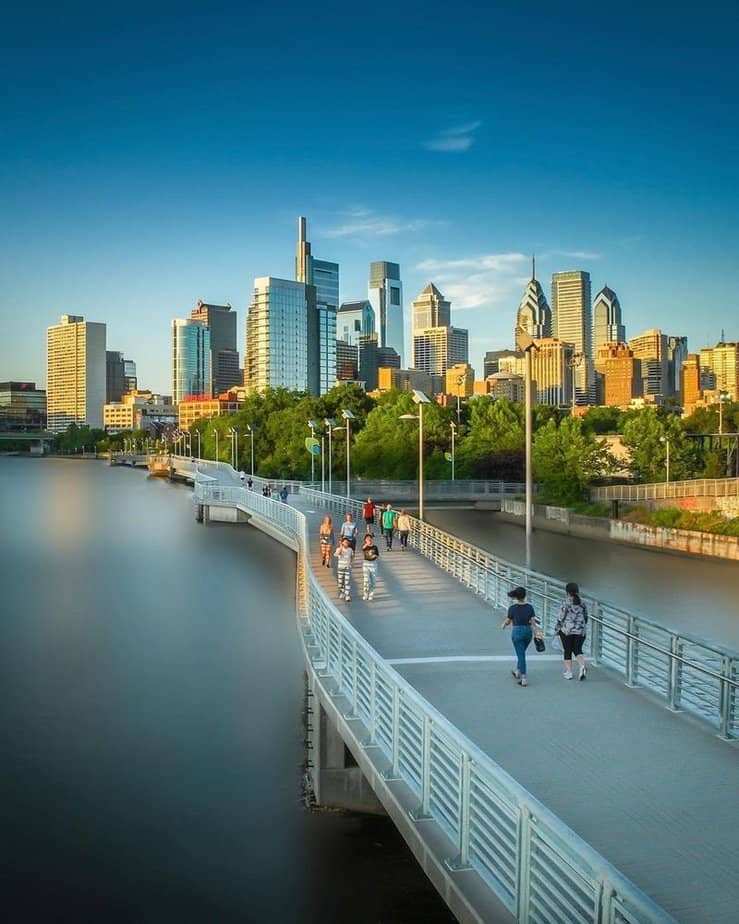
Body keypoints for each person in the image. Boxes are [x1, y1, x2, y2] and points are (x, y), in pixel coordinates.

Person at [500, 586, 539, 687]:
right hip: (528, 632)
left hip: (517, 632)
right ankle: (517, 671)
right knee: (521, 652)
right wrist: (536, 633)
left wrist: (503, 624)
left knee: (521, 654)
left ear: (516, 596)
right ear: (525, 596)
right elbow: (533, 623)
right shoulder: (530, 607)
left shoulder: (512, 608)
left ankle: (524, 677)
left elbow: (508, 621)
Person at [555, 581, 588, 680]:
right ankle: (582, 666)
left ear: (567, 592)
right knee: (578, 649)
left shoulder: (565, 603)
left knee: (567, 651)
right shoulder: (582, 603)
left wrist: (557, 629)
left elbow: (561, 618)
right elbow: (586, 617)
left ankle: (569, 672)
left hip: (567, 630)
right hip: (580, 630)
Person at [361, 532, 380, 601]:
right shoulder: (365, 546)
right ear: (365, 540)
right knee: (366, 580)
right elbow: (363, 548)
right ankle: (365, 594)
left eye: (370, 538)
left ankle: (371, 594)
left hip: (373, 564)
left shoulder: (375, 547)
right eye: (367, 539)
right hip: (366, 564)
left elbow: (377, 555)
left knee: (373, 581)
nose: (369, 540)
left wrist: (375, 556)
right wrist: (367, 544)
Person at [334, 537, 354, 602]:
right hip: (340, 568)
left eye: (347, 542)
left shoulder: (350, 550)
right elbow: (337, 554)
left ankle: (347, 595)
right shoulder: (339, 549)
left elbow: (352, 557)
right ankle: (342, 592)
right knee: (340, 583)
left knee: (347, 582)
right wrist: (340, 547)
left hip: (347, 567)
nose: (346, 543)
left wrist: (351, 563)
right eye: (345, 542)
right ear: (342, 543)